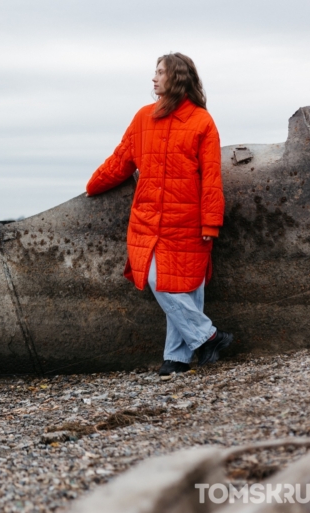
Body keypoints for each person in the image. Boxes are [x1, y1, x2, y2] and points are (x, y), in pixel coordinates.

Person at [85, 52, 233, 380]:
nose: (153, 79)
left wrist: (211, 221)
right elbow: (121, 160)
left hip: (188, 220)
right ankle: (207, 337)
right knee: (159, 278)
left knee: (186, 284)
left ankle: (177, 359)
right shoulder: (142, 118)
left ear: (176, 78)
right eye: (155, 73)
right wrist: (93, 185)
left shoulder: (202, 122)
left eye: (160, 72)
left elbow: (212, 177)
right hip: (149, 219)